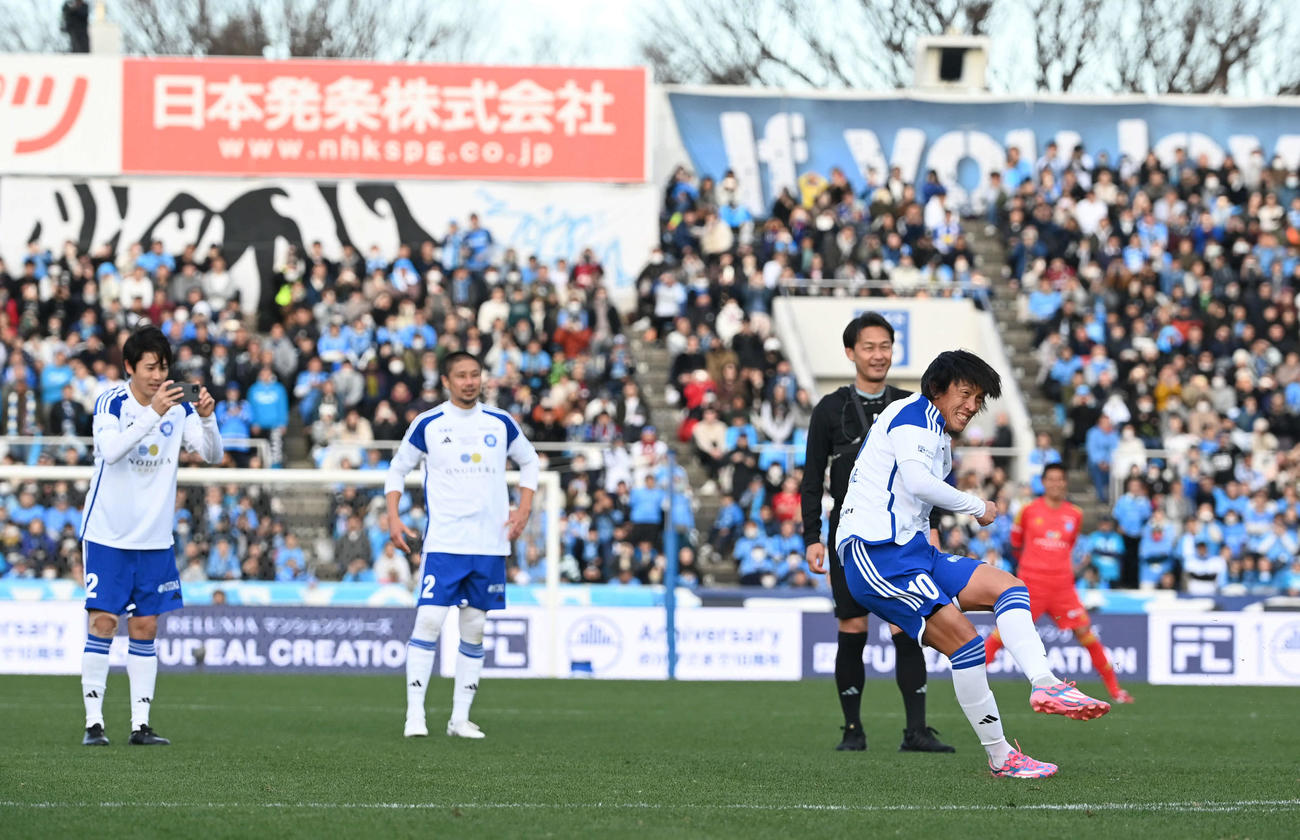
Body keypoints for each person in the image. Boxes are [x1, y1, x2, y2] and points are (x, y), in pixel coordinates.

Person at [836, 350, 1110, 778]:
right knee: (966, 643)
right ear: (936, 389)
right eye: (965, 393)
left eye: (978, 399)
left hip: (912, 551)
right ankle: (1002, 758)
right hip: (875, 553)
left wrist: (933, 538)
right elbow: (917, 482)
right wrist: (976, 505)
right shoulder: (913, 415)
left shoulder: (937, 435)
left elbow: (917, 498)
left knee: (1010, 587)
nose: (971, 405)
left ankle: (1046, 684)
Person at [800, 312, 952, 753]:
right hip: (849, 536)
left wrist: (935, 528)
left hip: (904, 535)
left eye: (885, 345)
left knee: (910, 625)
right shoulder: (829, 408)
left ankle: (917, 732)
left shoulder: (911, 404)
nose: (878, 354)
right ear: (851, 353)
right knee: (852, 625)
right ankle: (853, 730)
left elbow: (931, 474)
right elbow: (812, 478)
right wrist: (812, 537)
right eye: (869, 346)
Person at [78, 326, 222, 747]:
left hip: (155, 538)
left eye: (164, 367)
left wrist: (209, 418)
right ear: (130, 367)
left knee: (144, 626)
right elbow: (111, 451)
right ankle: (94, 723)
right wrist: (153, 413)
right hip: (108, 533)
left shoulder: (179, 407)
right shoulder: (111, 402)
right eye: (150, 367)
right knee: (103, 622)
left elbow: (212, 454)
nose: (159, 376)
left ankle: (140, 724)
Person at [385, 351, 539, 740]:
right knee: (430, 620)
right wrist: (393, 516)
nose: (469, 381)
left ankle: (460, 719)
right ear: (447, 382)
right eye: (461, 376)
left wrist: (523, 509)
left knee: (474, 628)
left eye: (475, 375)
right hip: (445, 543)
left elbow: (531, 462)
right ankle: (415, 716)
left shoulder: (500, 422)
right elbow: (398, 469)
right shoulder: (429, 423)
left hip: (490, 545)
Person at [983, 463, 1134, 704]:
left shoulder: (1075, 514)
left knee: (1086, 633)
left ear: (1065, 482)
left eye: (1060, 479)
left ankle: (1115, 691)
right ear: (1043, 482)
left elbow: (1070, 544)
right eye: (1051, 479)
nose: (1056, 483)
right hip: (1031, 585)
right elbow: (1015, 543)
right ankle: (972, 680)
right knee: (1004, 632)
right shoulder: (1028, 510)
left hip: (1063, 587)